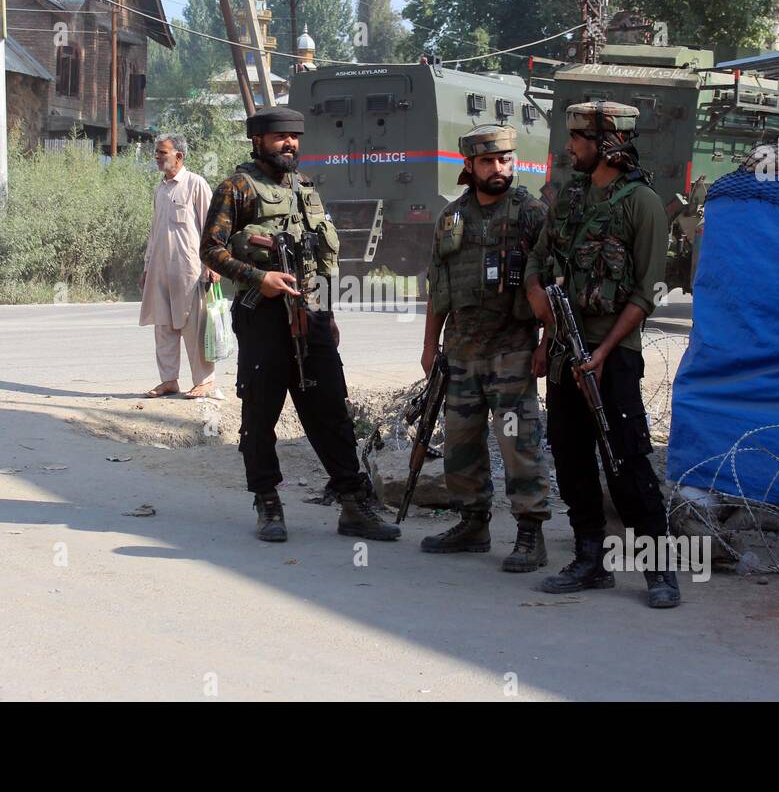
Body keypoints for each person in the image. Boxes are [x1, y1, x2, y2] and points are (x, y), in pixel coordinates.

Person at [199, 106, 400, 544]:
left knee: (330, 408)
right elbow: (211, 250)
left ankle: (352, 502)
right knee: (260, 412)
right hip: (262, 316)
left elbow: (321, 258)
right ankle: (268, 501)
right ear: (258, 141)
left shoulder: (305, 188)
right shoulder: (236, 187)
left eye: (294, 138)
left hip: (310, 315)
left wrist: (327, 314)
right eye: (279, 138)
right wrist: (259, 278)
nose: (289, 145)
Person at [523, 100, 680, 608]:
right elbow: (543, 261)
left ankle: (660, 570)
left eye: (579, 139)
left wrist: (605, 350)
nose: (570, 148)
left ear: (609, 142)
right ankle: (592, 559)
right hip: (568, 351)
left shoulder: (642, 204)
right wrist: (543, 322)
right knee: (570, 457)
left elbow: (647, 289)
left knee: (626, 459)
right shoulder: (569, 198)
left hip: (613, 356)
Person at [420, 124, 551, 572]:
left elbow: (551, 287)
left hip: (512, 349)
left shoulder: (531, 213)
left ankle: (530, 533)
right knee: (460, 441)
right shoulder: (451, 217)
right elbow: (438, 286)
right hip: (461, 351)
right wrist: (428, 345)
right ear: (469, 166)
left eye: (506, 160)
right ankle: (472, 523)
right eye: (489, 162)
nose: (499, 169)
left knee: (518, 440)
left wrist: (546, 345)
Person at [139, 133, 220, 399]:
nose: (157, 157)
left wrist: (213, 264)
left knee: (193, 326)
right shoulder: (160, 190)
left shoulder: (196, 184)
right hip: (160, 269)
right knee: (163, 325)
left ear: (179, 156)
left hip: (189, 269)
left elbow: (213, 228)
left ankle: (205, 381)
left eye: (162, 152)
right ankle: (168, 380)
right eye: (157, 152)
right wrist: (147, 266)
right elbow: (154, 232)